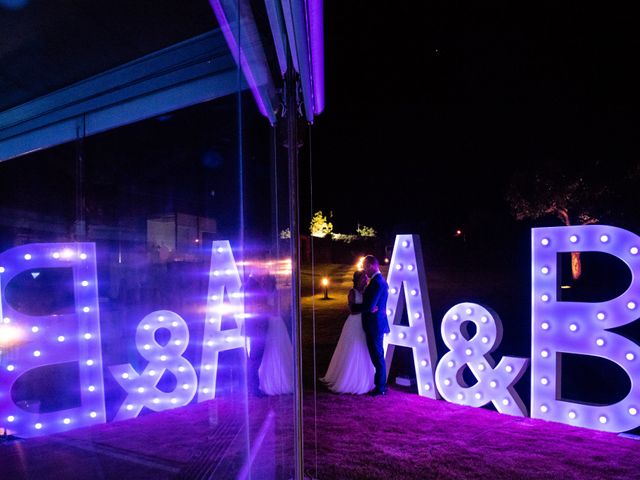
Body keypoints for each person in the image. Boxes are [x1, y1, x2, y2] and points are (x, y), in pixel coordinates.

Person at [319, 270, 375, 394]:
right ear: (358, 279)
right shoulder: (352, 292)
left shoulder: (366, 292)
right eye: (364, 278)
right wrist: (368, 309)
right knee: (353, 348)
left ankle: (363, 377)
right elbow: (352, 310)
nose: (366, 280)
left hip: (364, 323)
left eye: (366, 278)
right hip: (354, 323)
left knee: (364, 348)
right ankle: (350, 379)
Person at [353, 255, 390, 396]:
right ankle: (381, 385)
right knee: (377, 356)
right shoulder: (377, 281)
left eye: (365, 266)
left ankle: (380, 387)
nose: (364, 269)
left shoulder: (377, 282)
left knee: (377, 357)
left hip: (374, 326)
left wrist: (353, 308)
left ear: (372, 265)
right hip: (376, 324)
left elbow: (369, 305)